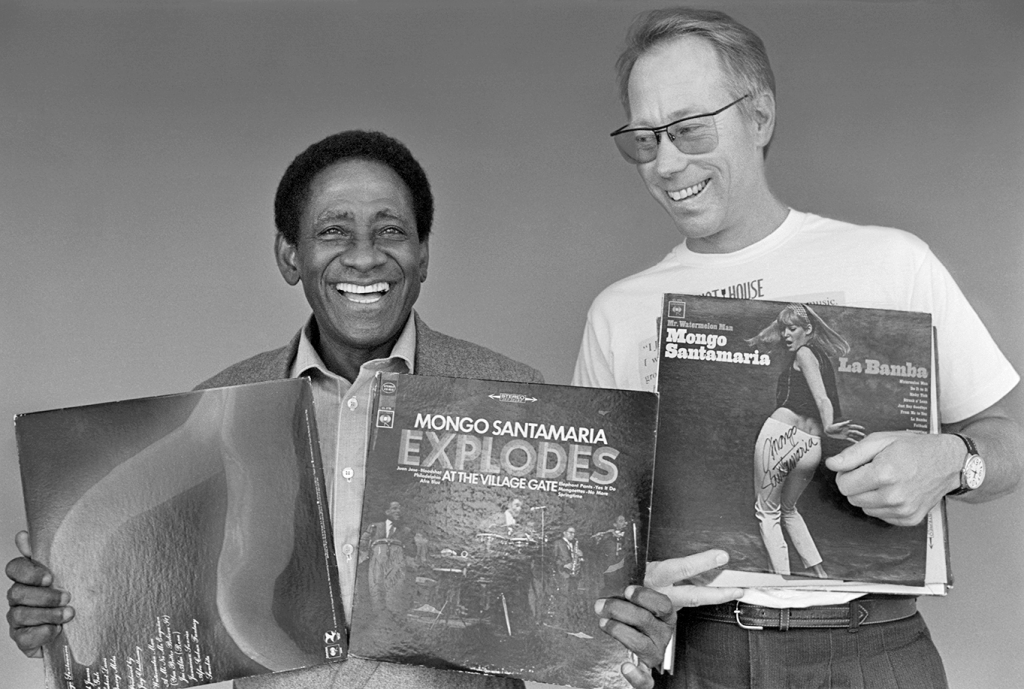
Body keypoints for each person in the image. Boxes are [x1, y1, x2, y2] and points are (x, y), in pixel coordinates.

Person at [7, 130, 678, 689]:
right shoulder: (227, 402)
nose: (364, 255)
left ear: (422, 257)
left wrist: (623, 639)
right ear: (289, 255)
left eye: (391, 231)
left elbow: (566, 607)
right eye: (333, 231)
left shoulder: (514, 395)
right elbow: (139, 572)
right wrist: (60, 611)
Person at [574, 7, 1023, 687]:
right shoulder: (617, 313)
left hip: (876, 646)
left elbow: (1012, 436)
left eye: (690, 128)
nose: (666, 163)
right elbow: (600, 525)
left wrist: (957, 460)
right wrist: (635, 618)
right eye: (644, 138)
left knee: (772, 509)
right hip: (704, 657)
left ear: (759, 117)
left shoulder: (890, 262)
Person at [746, 304, 865, 578]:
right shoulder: (823, 358)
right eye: (783, 329)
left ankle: (782, 582)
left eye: (792, 328)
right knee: (788, 510)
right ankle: (820, 574)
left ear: (808, 329)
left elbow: (821, 397)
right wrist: (827, 428)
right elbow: (823, 398)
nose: (786, 335)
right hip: (810, 445)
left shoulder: (804, 352)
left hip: (782, 435)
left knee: (767, 511)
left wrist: (830, 424)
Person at [359, 500, 414, 615]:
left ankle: (392, 617)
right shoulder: (374, 527)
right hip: (376, 563)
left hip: (396, 565)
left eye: (399, 508)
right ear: (387, 511)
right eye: (394, 508)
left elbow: (411, 551)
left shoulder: (406, 531)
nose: (398, 511)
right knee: (376, 589)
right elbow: (363, 546)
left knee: (394, 593)